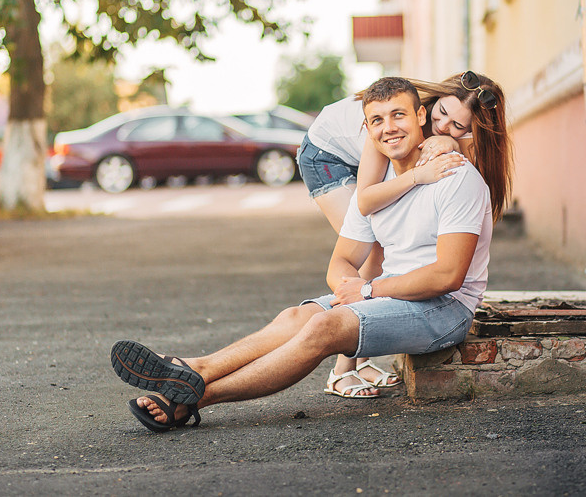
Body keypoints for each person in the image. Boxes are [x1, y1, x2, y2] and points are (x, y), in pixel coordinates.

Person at [111, 77, 494, 432]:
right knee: (299, 315)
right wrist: (352, 287)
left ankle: (196, 395)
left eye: (398, 115)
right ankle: (195, 369)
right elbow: (341, 262)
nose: (388, 127)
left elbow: (447, 276)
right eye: (377, 120)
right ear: (367, 130)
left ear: (420, 117)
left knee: (324, 326)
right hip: (392, 296)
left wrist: (367, 292)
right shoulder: (378, 188)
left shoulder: (454, 176)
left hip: (445, 309)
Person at [294, 71, 511, 397]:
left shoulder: (446, 133)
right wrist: (418, 176)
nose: (442, 127)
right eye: (441, 116)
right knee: (375, 244)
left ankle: (360, 353)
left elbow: (467, 164)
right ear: (430, 105)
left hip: (347, 153)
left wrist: (453, 143)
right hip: (325, 154)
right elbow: (366, 200)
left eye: (458, 127)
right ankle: (343, 369)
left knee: (384, 242)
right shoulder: (393, 121)